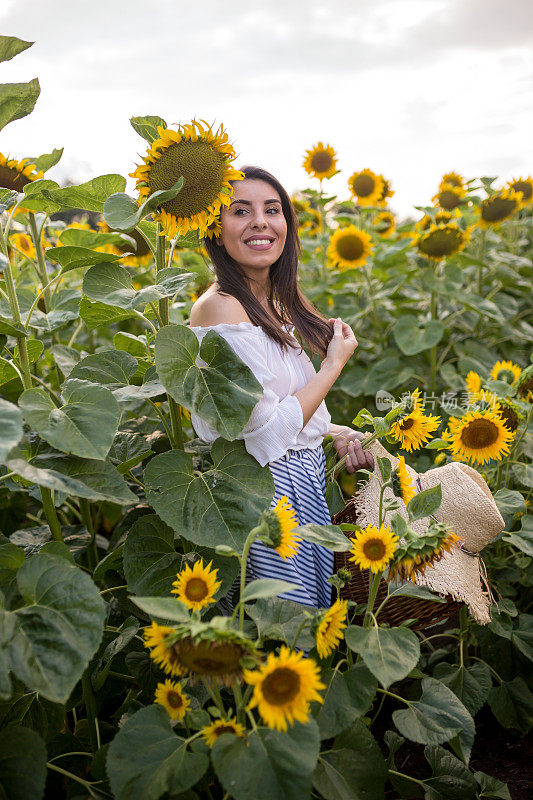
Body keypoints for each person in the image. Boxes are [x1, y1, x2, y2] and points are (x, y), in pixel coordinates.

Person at [189, 165, 374, 610]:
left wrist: (336, 434)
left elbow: (282, 414)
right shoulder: (221, 309)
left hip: (303, 488)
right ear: (216, 228)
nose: (260, 222)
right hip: (264, 495)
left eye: (272, 210)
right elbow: (265, 434)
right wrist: (331, 367)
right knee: (283, 634)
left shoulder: (270, 305)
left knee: (311, 630)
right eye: (241, 211)